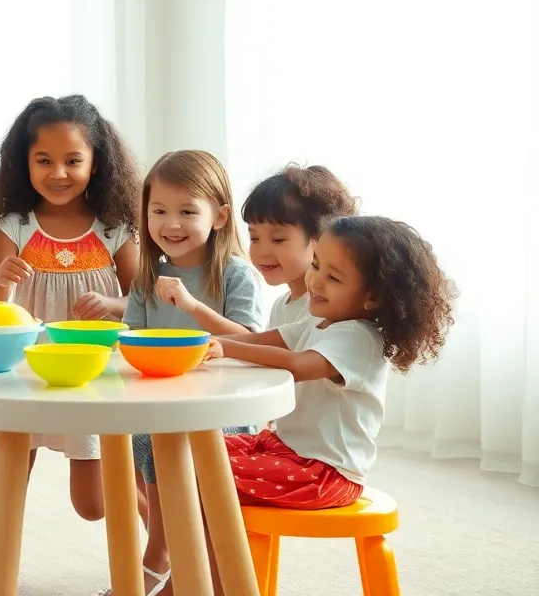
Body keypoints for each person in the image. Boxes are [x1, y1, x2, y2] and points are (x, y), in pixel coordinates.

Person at [203, 215, 455, 593]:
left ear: (372, 297)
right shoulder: (320, 321)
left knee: (206, 474)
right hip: (287, 450)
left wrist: (223, 347)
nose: (315, 281)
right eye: (316, 264)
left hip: (324, 474)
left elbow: (298, 365)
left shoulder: (357, 336)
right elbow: (268, 340)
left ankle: (210, 583)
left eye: (333, 278)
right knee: (193, 449)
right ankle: (202, 576)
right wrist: (209, 340)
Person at [0, 95, 145, 595]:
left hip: (92, 374)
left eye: (73, 160)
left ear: (96, 163)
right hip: (27, 370)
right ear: (24, 164)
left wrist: (112, 308)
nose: (58, 172)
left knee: (93, 502)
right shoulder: (16, 226)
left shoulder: (113, 228)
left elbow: (140, 302)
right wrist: (0, 279)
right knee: (9, 469)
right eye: (44, 160)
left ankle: (162, 546)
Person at [116, 150, 265, 596]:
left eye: (187, 211)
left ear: (219, 217)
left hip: (222, 408)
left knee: (196, 460)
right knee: (145, 439)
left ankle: (187, 571)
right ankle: (160, 549)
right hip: (162, 402)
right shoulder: (148, 277)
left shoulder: (235, 274)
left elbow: (251, 343)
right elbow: (133, 338)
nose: (171, 223)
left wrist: (192, 306)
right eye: (159, 211)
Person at [243, 164, 357, 328]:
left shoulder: (325, 310)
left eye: (278, 239)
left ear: (320, 239)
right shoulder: (280, 305)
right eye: (254, 238)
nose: (262, 252)